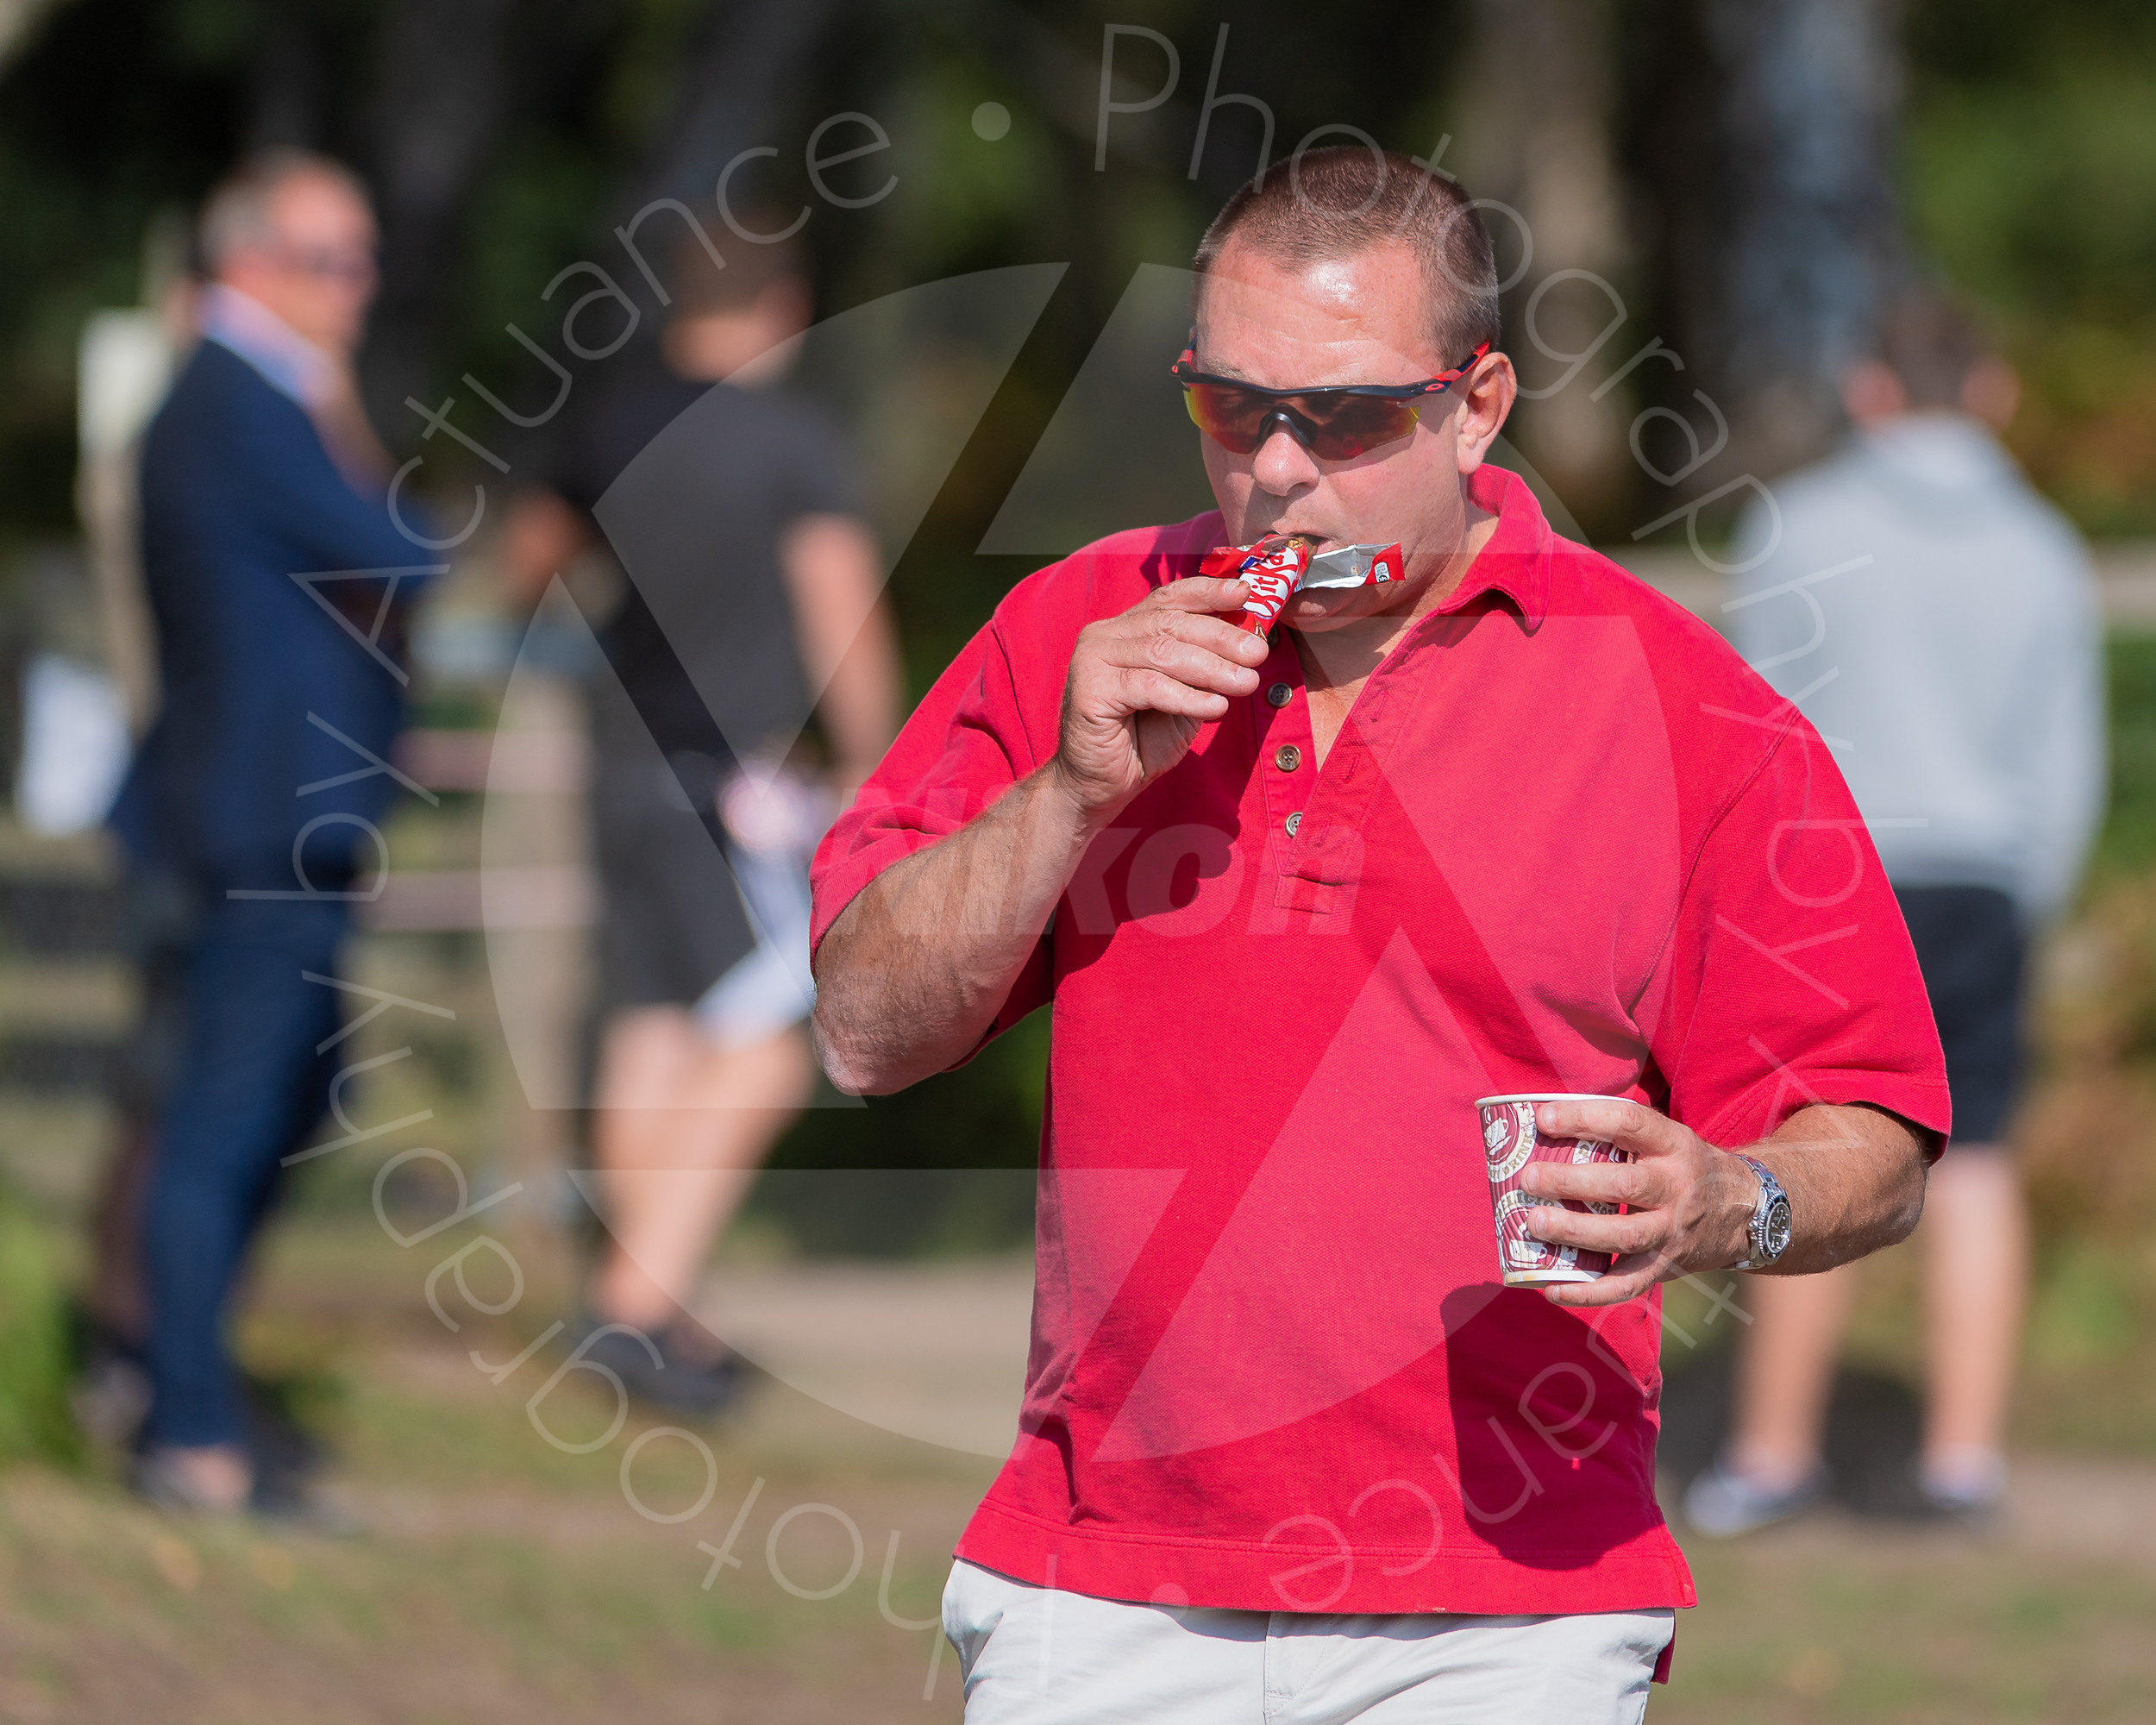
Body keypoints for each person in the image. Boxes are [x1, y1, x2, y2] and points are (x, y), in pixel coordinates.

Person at [809, 146, 1951, 1723]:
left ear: (1475, 407)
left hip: (1511, 1608)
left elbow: (1874, 1125)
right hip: (1106, 1581)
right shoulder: (1082, 624)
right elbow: (865, 1030)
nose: (1278, 469)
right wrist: (1068, 797)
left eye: (1343, 417)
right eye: (1229, 406)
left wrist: (1727, 1201)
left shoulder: (1692, 710)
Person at [1687, 297, 2106, 1534]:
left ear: (1871, 391)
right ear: (1993, 393)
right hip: (1983, 881)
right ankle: (1962, 1461)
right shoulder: (2043, 547)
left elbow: (1748, 722)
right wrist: (2030, 889)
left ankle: (1768, 1458)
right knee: (1975, 1162)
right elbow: (2065, 759)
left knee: (1805, 1148)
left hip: (1828, 879)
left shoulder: (1795, 527)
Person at [498, 220, 899, 1411]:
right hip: (742, 783)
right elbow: (841, 607)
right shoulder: (790, 441)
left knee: (651, 1031)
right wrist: (877, 762)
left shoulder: (612, 421)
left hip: (617, 761)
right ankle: (630, 1313)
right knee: (774, 1045)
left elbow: (529, 561)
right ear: (784, 305)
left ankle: (663, 1320)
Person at [110, 149, 428, 1514]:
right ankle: (183, 1420)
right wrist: (344, 406)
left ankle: (167, 1369)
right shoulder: (246, 399)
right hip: (259, 820)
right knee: (226, 1117)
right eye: (326, 260)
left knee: (292, 1096)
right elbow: (404, 552)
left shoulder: (238, 396)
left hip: (274, 817)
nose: (354, 289)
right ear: (247, 264)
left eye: (361, 259)